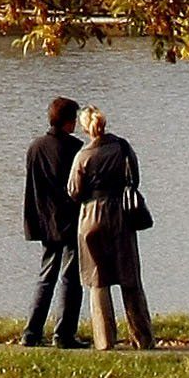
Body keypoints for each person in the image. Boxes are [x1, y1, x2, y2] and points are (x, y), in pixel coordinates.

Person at [67, 104, 154, 350]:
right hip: (121, 215)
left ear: (86, 128)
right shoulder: (123, 147)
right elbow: (134, 178)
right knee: (129, 278)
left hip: (92, 217)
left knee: (98, 281)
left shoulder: (83, 156)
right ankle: (143, 338)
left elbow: (74, 191)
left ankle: (105, 341)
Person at [20, 95, 84, 347]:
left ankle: (31, 332)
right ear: (68, 122)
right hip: (69, 221)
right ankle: (64, 334)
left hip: (44, 221)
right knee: (70, 279)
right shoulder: (75, 149)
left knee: (46, 276)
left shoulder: (35, 147)